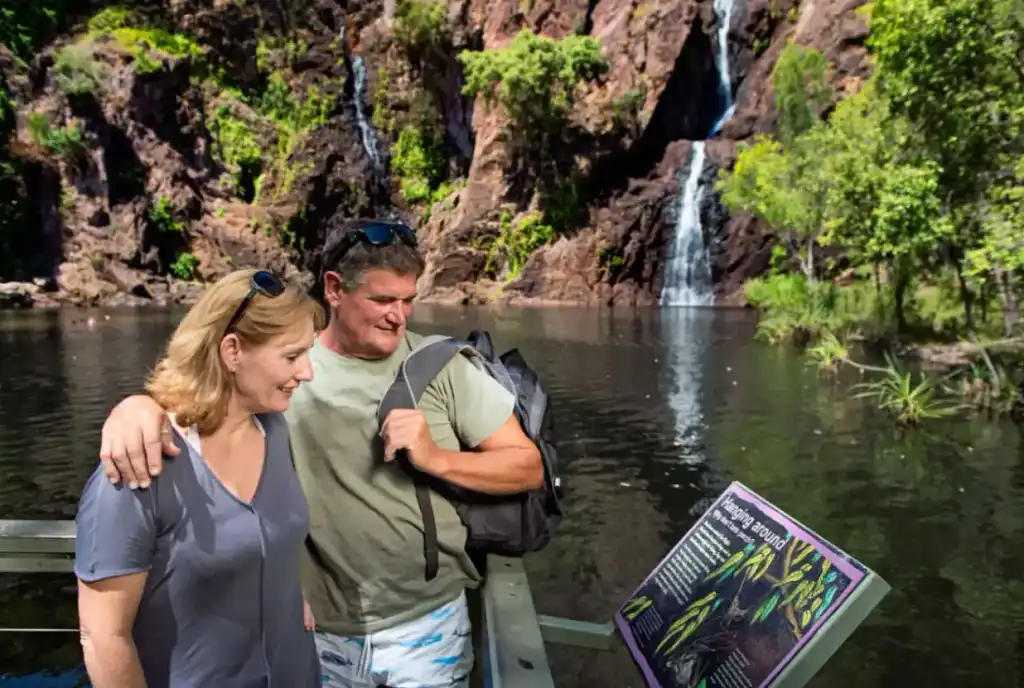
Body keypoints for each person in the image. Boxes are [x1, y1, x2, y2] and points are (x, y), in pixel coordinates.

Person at [93, 219, 544, 688]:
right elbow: (202, 406)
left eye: (408, 300)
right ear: (333, 288)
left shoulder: (442, 367)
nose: (399, 315)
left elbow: (527, 467)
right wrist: (136, 407)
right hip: (314, 631)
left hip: (427, 628)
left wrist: (436, 457)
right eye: (382, 300)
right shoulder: (281, 373)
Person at [75, 269, 325, 688]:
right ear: (232, 351)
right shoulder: (137, 468)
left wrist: (286, 589)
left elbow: (265, 536)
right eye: (291, 356)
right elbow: (104, 638)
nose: (308, 372)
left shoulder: (274, 430)